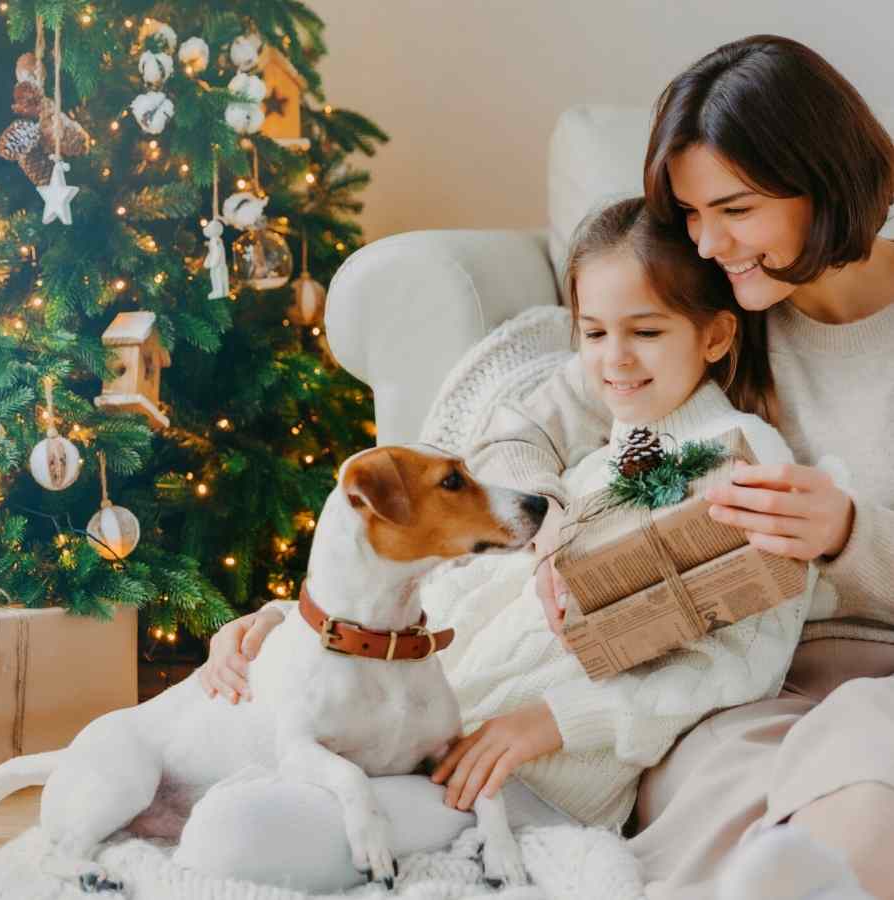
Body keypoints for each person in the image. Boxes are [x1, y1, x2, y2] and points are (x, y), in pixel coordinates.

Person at [188, 195, 816, 890]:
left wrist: (556, 721)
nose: (614, 361)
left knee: (230, 832)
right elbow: (455, 581)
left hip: (525, 782)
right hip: (423, 729)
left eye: (646, 332)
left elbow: (743, 665)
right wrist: (292, 626)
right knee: (207, 732)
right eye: (594, 333)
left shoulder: (737, 460)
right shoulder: (601, 457)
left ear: (717, 336)